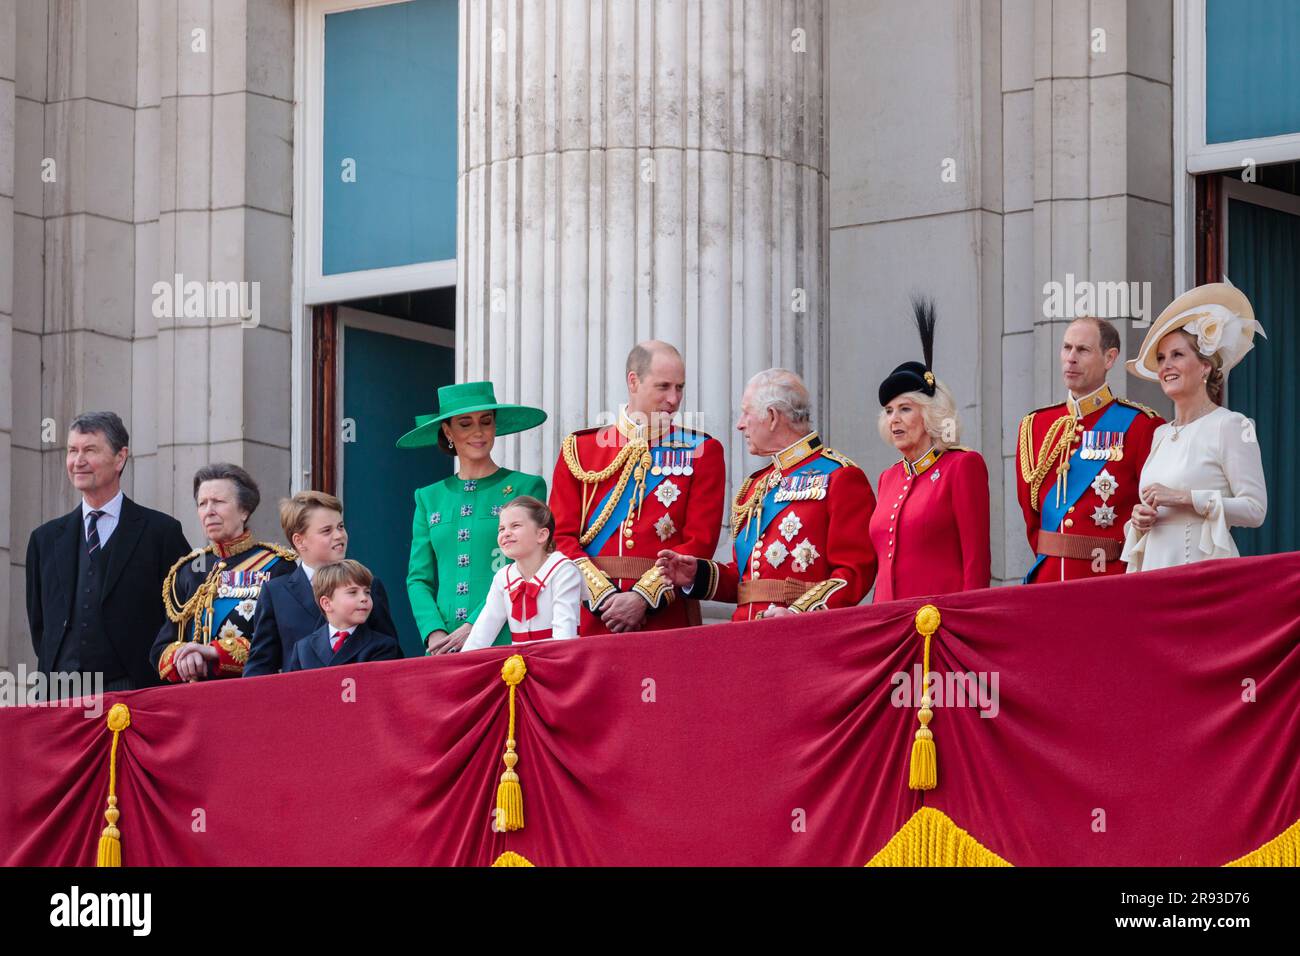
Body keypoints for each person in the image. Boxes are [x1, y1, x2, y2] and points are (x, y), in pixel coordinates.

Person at [656, 368, 877, 620]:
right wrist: (697, 574)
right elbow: (748, 583)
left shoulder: (840, 476)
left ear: (772, 416)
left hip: (803, 637)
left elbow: (855, 572)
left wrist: (798, 614)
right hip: (747, 636)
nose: (740, 424)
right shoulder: (757, 484)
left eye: (746, 413)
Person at [549, 341, 726, 635]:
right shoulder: (580, 449)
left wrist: (643, 597)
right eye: (663, 386)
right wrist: (603, 597)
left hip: (665, 616)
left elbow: (700, 542)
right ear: (634, 381)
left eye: (680, 388)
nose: (674, 399)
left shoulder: (702, 451)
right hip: (592, 616)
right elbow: (560, 536)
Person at [26, 412, 192, 692]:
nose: (78, 461)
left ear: (120, 458)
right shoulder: (44, 540)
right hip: (60, 695)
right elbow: (40, 625)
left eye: (90, 450)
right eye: (72, 450)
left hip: (135, 690)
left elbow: (181, 614)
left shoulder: (161, 532)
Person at [1120, 283, 1267, 571]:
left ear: (1205, 367)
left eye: (1177, 355)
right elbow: (1158, 511)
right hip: (1153, 570)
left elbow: (1255, 510)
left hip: (1202, 574)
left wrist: (1184, 498)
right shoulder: (1160, 434)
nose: (1165, 366)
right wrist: (1138, 520)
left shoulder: (1233, 425)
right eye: (1161, 358)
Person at [400, 382, 548, 655]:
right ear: (448, 431)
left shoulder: (525, 487)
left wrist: (474, 625)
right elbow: (419, 578)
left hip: (507, 636)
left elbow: (529, 565)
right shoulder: (428, 497)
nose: (478, 432)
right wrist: (434, 633)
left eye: (486, 421)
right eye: (465, 424)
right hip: (444, 648)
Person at [1015, 317, 1164, 583]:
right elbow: (1032, 516)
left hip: (1108, 579)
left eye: (1083, 350)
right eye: (1066, 348)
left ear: (1110, 358)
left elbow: (1152, 511)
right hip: (1047, 579)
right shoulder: (1036, 425)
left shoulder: (1140, 425)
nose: (1071, 358)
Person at [872, 298, 990, 601]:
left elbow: (976, 561)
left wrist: (967, 625)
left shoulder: (962, 466)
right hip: (888, 622)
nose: (894, 419)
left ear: (930, 415)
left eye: (905, 409)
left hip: (938, 623)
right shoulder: (889, 478)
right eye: (888, 411)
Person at [150, 463, 297, 682]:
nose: (209, 511)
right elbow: (161, 647)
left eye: (218, 502)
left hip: (247, 693)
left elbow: (286, 644)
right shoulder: (188, 570)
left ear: (244, 511)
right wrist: (182, 657)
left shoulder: (277, 565)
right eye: (202, 503)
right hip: (193, 697)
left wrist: (216, 653)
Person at [245, 491, 400, 676]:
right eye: (327, 530)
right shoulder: (276, 592)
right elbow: (261, 664)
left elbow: (391, 660)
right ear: (299, 541)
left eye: (340, 527)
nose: (339, 535)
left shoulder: (369, 586)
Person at [462, 496, 581, 650]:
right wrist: (463, 665)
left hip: (558, 662)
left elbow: (565, 634)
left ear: (542, 535)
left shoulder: (563, 571)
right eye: (501, 529)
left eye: (515, 525)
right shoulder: (502, 577)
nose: (506, 533)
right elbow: (482, 633)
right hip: (517, 667)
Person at [284, 560, 401, 671]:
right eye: (352, 592)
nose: (364, 598)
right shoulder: (303, 648)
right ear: (327, 603)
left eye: (367, 592)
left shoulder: (383, 646)